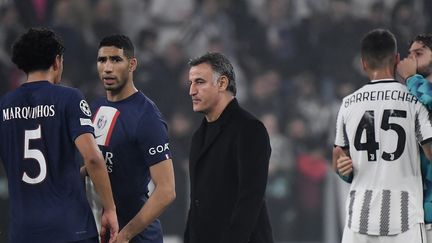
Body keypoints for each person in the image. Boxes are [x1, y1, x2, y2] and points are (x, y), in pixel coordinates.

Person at [0, 27, 118, 242]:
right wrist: (109, 209)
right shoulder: (69, 98)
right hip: (69, 229)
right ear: (57, 61)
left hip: (22, 231)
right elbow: (92, 157)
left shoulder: (4, 105)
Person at [333, 29, 432, 243]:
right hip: (405, 217)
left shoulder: (348, 103)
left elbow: (339, 158)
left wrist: (344, 171)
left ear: (363, 63)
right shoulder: (414, 100)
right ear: (396, 59)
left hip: (359, 217)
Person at [89, 34, 176, 243]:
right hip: (100, 231)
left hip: (137, 237)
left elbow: (166, 190)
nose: (108, 68)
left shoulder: (147, 116)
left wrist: (126, 235)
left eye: (116, 60)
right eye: (102, 60)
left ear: (132, 64)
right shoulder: (96, 107)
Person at [184, 52, 274, 243]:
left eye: (199, 82)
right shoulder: (198, 136)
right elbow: (196, 204)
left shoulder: (250, 129)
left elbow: (250, 199)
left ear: (222, 83)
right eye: (191, 83)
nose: (191, 90)